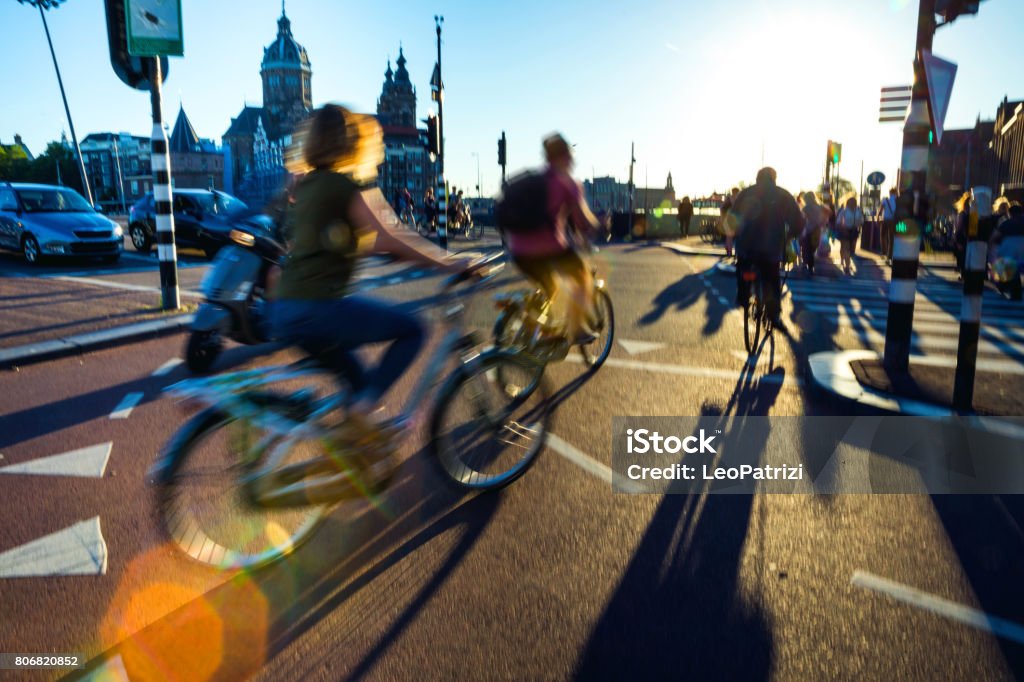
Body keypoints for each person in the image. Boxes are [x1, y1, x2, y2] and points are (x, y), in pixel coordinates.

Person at [269, 104, 473, 479]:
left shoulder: (307, 184)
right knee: (414, 329)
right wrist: (452, 263)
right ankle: (360, 420)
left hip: (286, 309)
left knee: (359, 382)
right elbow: (390, 235)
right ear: (352, 142)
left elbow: (344, 239)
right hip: (318, 308)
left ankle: (350, 464)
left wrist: (383, 249)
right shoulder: (344, 185)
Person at [505, 133, 600, 344]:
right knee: (582, 276)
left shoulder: (534, 180)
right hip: (549, 249)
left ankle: (532, 328)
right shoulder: (567, 183)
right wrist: (600, 226)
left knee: (550, 287)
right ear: (564, 156)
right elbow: (583, 221)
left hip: (519, 250)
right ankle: (576, 329)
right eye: (570, 156)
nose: (573, 161)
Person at [727, 167, 804, 323]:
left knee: (743, 267)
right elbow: (798, 221)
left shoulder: (746, 193)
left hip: (747, 244)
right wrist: (790, 236)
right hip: (771, 246)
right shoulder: (782, 195)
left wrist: (731, 236)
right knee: (772, 278)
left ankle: (743, 296)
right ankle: (773, 313)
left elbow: (732, 218)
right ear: (774, 178)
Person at [799, 191, 828, 275]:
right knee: (812, 249)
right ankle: (810, 266)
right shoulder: (819, 207)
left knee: (805, 248)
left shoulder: (806, 208)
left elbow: (801, 218)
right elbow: (825, 217)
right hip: (817, 230)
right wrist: (821, 224)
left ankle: (806, 264)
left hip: (807, 230)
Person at [834, 195, 864, 275]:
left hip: (854, 231)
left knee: (850, 249)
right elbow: (838, 222)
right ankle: (846, 265)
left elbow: (861, 221)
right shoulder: (844, 211)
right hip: (845, 232)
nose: (853, 204)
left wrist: (858, 226)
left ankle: (845, 261)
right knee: (846, 248)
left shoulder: (858, 211)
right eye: (851, 202)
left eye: (853, 202)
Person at [952, 191, 971, 275]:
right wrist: (958, 242)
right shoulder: (963, 214)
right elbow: (959, 229)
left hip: (965, 240)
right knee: (964, 258)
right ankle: (963, 273)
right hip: (963, 240)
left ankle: (963, 273)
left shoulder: (963, 214)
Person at [878, 187, 897, 264]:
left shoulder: (885, 200)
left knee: (883, 236)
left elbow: (880, 210)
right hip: (893, 221)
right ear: (896, 193)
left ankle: (884, 252)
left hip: (885, 220)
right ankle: (890, 255)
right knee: (891, 238)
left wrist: (877, 219)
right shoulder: (897, 200)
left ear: (890, 193)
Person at [721, 187, 739, 257]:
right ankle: (729, 251)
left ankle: (728, 249)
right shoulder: (734, 199)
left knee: (729, 237)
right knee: (730, 237)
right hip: (731, 220)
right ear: (735, 192)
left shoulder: (728, 199)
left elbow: (722, 208)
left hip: (726, 219)